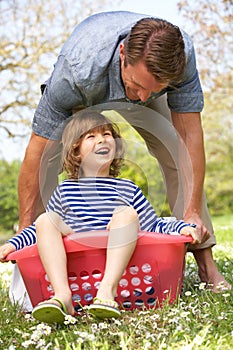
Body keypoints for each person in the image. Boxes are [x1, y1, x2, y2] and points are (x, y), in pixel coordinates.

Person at [17, 11, 230, 292]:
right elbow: (38, 150)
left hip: (145, 80)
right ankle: (34, 271)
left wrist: (190, 211)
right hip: (90, 88)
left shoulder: (181, 59)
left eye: (152, 89)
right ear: (122, 54)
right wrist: (23, 226)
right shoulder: (77, 72)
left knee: (174, 150)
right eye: (138, 85)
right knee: (51, 161)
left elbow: (190, 134)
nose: (142, 99)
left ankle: (205, 264)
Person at [1, 111, 200, 324]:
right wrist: (13, 244)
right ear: (76, 151)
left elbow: (153, 225)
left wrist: (180, 228)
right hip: (81, 281)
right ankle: (62, 296)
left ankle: (107, 290)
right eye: (91, 136)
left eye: (106, 134)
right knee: (44, 220)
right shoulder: (66, 190)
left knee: (126, 213)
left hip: (126, 280)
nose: (102, 139)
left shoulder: (128, 188)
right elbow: (37, 232)